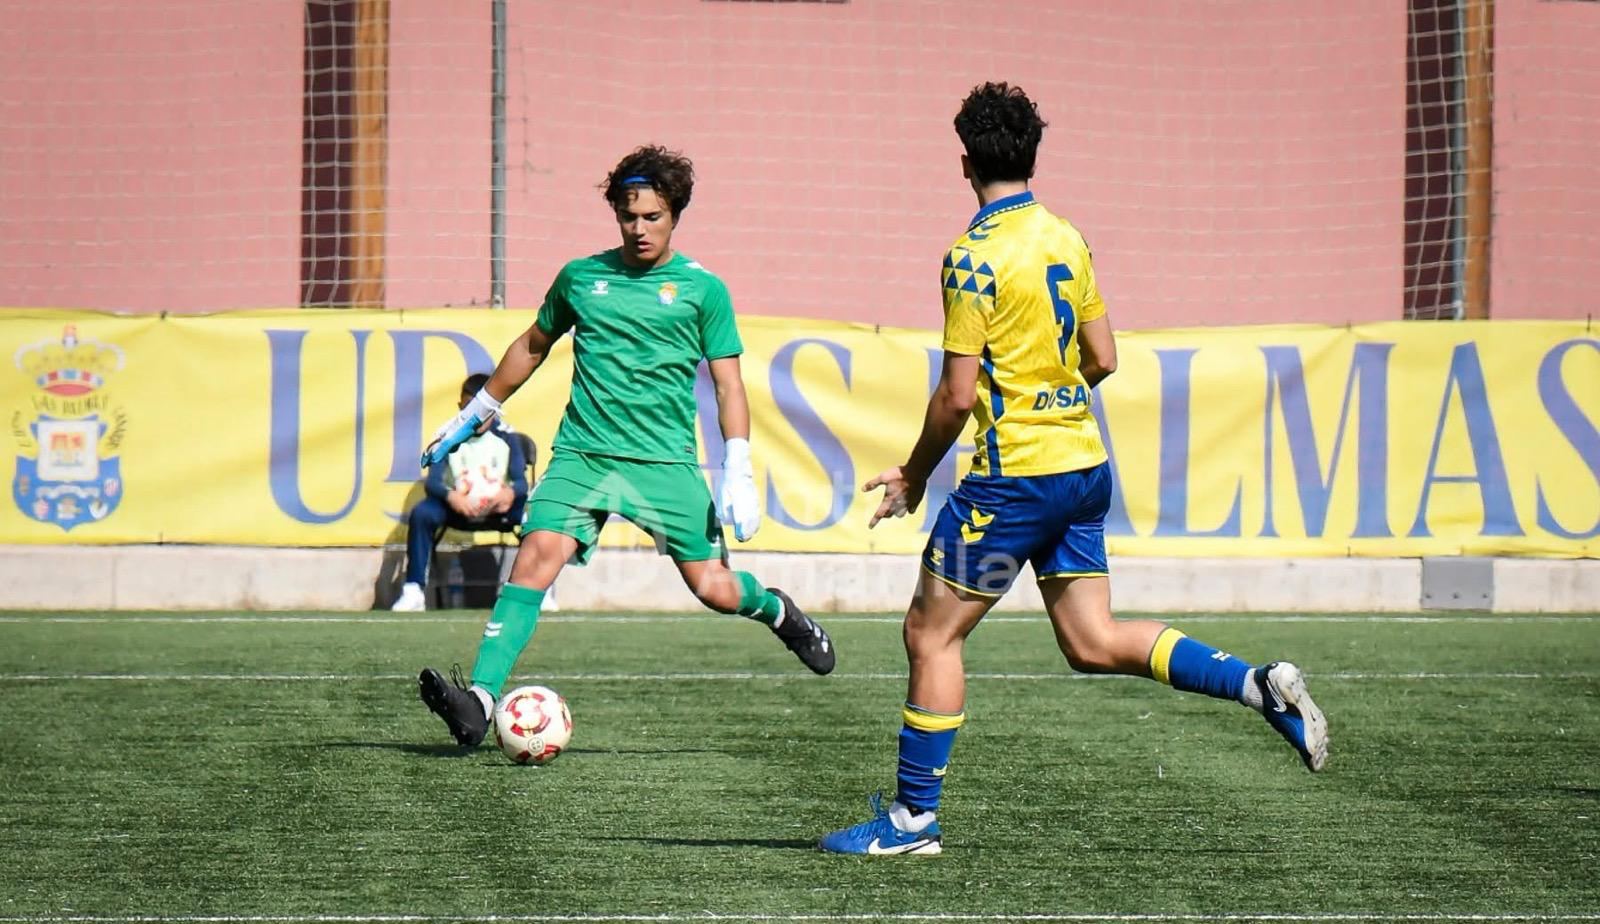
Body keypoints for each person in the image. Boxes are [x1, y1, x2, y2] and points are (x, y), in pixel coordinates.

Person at [819, 83, 1327, 857]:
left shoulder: (973, 257)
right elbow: (1104, 357)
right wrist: (1051, 406)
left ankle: (912, 820)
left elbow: (957, 397)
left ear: (965, 163)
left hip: (1012, 483)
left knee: (930, 635)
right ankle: (1258, 685)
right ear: (1031, 155)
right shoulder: (1066, 236)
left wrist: (917, 472)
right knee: (1092, 640)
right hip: (1083, 467)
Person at [414, 144, 834, 746]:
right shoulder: (582, 277)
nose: (639, 228)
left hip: (664, 463)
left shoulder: (702, 290)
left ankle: (780, 613)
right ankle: (479, 701)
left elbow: (728, 381)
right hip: (584, 454)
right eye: (629, 216)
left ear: (675, 215)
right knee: (535, 555)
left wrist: (737, 462)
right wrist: (479, 412)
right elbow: (534, 344)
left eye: (653, 217)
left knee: (714, 589)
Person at [391, 373, 530, 612]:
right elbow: (433, 482)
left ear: (495, 407)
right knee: (422, 513)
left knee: (535, 517)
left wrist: (509, 494)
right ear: (460, 407)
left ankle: (538, 591)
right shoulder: (447, 435)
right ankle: (413, 590)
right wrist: (452, 497)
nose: (477, 417)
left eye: (484, 410)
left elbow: (521, 482)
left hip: (499, 509)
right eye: (469, 409)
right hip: (457, 508)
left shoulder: (508, 436)